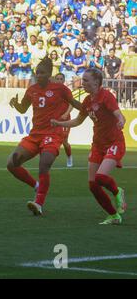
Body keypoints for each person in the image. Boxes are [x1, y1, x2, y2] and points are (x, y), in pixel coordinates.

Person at [51, 68, 127, 225]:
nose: (82, 83)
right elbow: (78, 121)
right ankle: (113, 215)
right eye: (82, 79)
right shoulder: (87, 101)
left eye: (85, 80)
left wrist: (121, 120)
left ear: (96, 82)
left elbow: (119, 114)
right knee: (93, 184)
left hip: (114, 142)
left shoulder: (106, 96)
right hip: (98, 145)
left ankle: (117, 191)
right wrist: (59, 123)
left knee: (100, 177)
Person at [7, 57, 82, 216]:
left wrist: (91, 109)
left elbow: (74, 103)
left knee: (44, 163)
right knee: (11, 164)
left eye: (42, 73)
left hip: (52, 134)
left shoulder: (59, 89)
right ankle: (36, 185)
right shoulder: (32, 89)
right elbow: (22, 109)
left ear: (49, 74)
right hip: (35, 135)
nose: (38, 75)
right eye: (37, 73)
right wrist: (16, 103)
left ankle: (38, 203)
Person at [54, 72, 74, 167]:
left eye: (61, 79)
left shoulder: (66, 91)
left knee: (64, 141)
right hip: (54, 119)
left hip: (65, 120)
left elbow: (72, 104)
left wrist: (66, 114)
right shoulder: (51, 91)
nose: (59, 80)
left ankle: (69, 157)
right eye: (57, 79)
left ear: (64, 80)